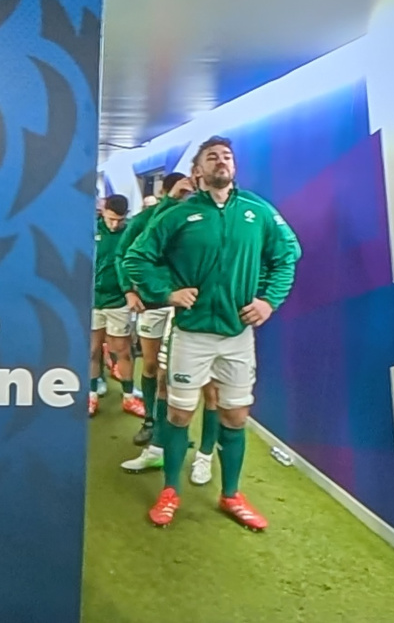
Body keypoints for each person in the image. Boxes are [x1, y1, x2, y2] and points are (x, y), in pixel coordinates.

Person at [122, 136, 301, 530]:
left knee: (235, 415)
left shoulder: (258, 211)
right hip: (192, 334)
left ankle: (231, 494)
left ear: (233, 167)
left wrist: (269, 301)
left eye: (227, 157)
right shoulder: (178, 215)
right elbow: (137, 257)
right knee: (178, 413)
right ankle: (170, 490)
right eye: (212, 157)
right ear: (198, 170)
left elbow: (287, 255)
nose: (221, 162)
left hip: (237, 335)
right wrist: (167, 291)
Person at [114, 173, 194, 444]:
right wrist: (128, 290)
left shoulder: (197, 218)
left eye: (188, 194)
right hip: (154, 301)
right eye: (179, 194)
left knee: (177, 370)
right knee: (150, 364)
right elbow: (123, 254)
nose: (184, 199)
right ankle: (150, 421)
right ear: (164, 193)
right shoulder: (146, 219)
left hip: (187, 301)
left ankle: (173, 427)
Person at [89, 195, 143, 417]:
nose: (114, 224)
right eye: (110, 219)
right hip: (92, 301)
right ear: (103, 211)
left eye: (119, 220)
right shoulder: (90, 229)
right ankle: (91, 396)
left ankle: (129, 398)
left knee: (122, 351)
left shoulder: (131, 233)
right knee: (92, 350)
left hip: (119, 301)